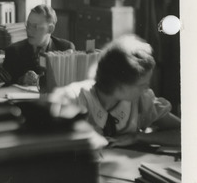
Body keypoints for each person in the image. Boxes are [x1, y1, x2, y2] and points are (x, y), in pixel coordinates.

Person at [51, 34, 180, 146]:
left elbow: (185, 134)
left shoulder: (142, 100)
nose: (146, 89)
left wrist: (138, 137)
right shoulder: (74, 98)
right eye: (142, 85)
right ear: (121, 86)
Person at [3, 4, 74, 86]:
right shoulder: (13, 51)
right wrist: (21, 80)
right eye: (28, 25)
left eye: (35, 26)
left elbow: (71, 83)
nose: (29, 30)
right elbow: (4, 84)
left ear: (50, 29)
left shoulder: (65, 49)